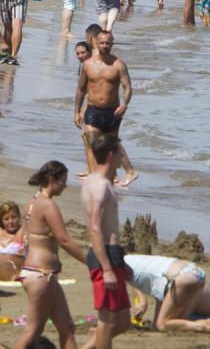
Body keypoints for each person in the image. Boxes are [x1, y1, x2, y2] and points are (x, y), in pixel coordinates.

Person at [13, 161, 87, 349]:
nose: (65, 185)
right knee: (33, 330)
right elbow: (64, 240)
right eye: (63, 181)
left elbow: (28, 238)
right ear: (52, 180)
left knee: (67, 327)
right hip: (41, 274)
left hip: (41, 273)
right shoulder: (48, 205)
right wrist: (91, 261)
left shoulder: (32, 202)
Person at [81, 132, 131, 349]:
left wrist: (121, 262)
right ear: (112, 155)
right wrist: (107, 268)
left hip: (113, 254)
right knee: (106, 320)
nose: (124, 156)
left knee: (122, 321)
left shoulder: (94, 180)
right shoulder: (100, 185)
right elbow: (94, 227)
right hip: (105, 254)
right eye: (121, 152)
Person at [74, 30, 136, 185]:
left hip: (112, 111)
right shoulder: (88, 65)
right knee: (90, 141)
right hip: (93, 109)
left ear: (112, 43)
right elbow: (81, 89)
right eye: (102, 42)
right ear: (96, 43)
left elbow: (127, 87)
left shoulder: (118, 64)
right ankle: (95, 175)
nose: (105, 45)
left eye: (108, 43)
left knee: (111, 146)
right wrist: (77, 111)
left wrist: (125, 104)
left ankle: (123, 174)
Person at [125, 255, 210, 334]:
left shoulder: (117, 265)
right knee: (159, 326)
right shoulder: (129, 260)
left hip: (183, 277)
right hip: (193, 272)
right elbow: (134, 276)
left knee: (162, 325)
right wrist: (142, 300)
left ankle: (204, 325)